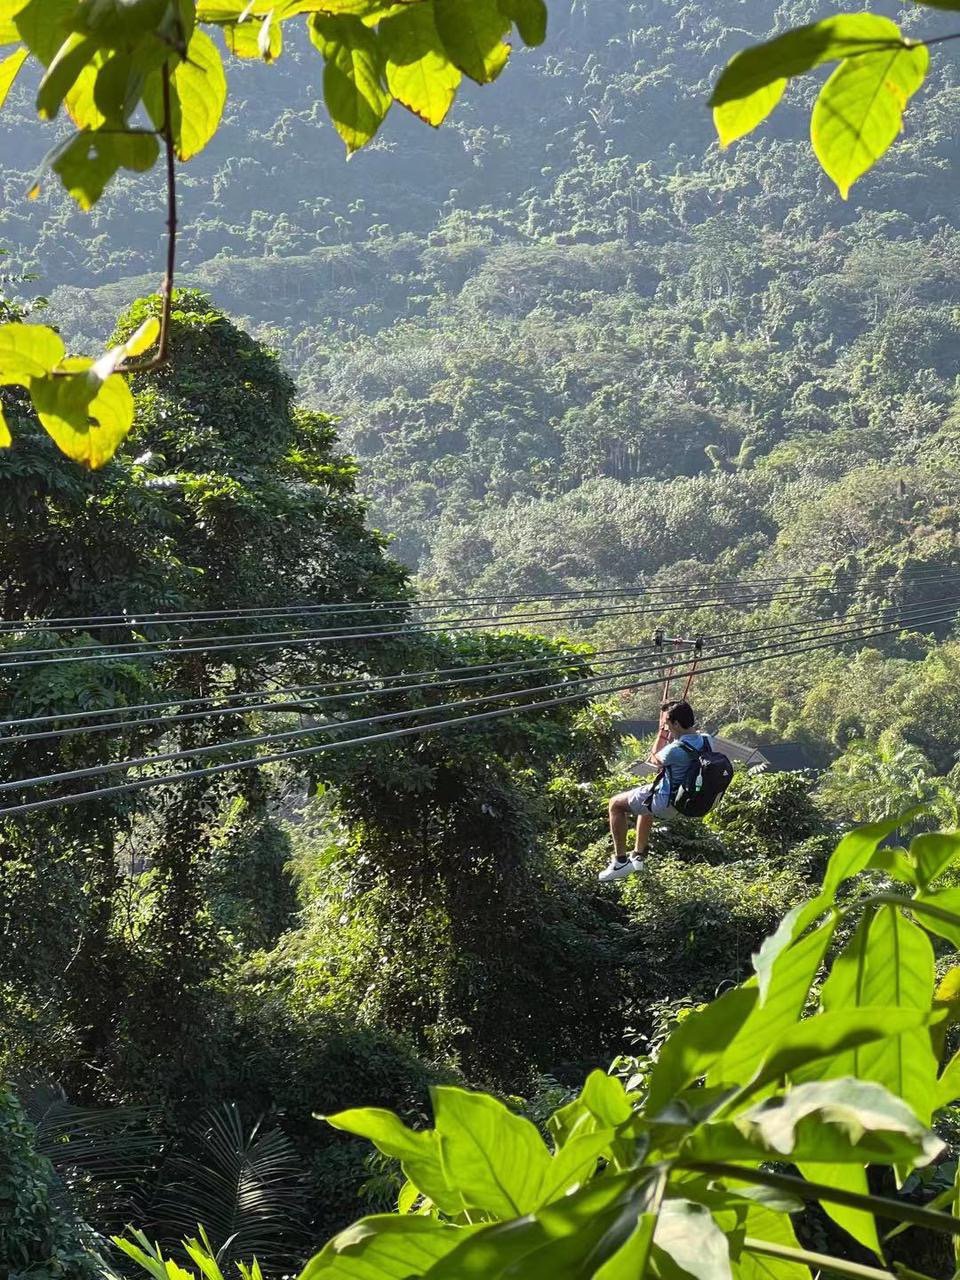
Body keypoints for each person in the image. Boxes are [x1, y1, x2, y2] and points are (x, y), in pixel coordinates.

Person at [599, 699, 705, 883]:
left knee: (615, 804)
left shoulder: (674, 750)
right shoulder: (707, 740)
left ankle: (620, 862)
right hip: (690, 800)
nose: (668, 727)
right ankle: (638, 857)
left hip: (666, 802)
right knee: (644, 802)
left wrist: (662, 734)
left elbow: (653, 760)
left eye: (669, 724)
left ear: (676, 724)